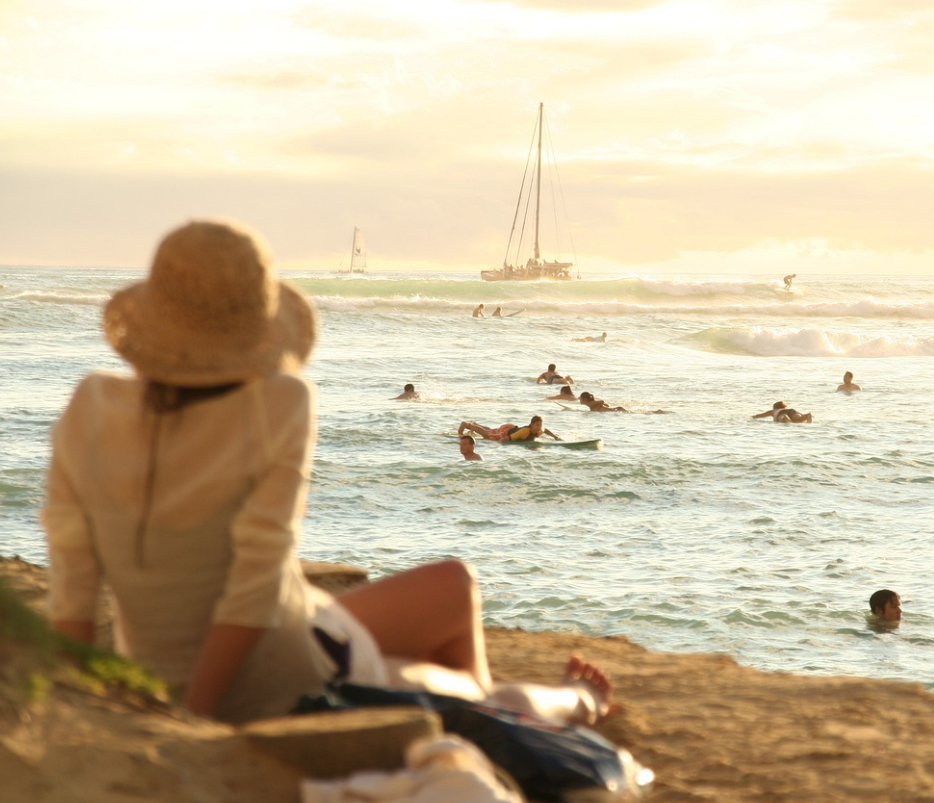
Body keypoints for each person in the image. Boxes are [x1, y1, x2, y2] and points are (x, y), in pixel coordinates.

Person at [41, 220, 612, 727]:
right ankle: (574, 703)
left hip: (180, 656)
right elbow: (253, 589)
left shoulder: (90, 405)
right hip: (280, 672)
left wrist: (85, 704)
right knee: (469, 688)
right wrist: (195, 720)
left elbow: (73, 587)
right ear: (256, 328)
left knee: (452, 587)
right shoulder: (279, 400)